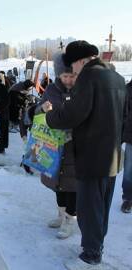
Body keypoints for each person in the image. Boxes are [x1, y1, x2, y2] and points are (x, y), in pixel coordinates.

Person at [42, 40, 126, 269]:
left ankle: (91, 255)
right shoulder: (116, 78)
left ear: (80, 61)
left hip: (91, 155)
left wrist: (51, 114)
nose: (73, 72)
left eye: (73, 66)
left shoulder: (90, 77)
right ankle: (96, 246)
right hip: (112, 156)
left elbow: (74, 113)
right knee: (102, 206)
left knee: (89, 207)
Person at [37, 52, 77, 239]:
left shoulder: (82, 91)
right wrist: (41, 109)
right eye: (65, 76)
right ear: (59, 75)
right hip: (53, 146)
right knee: (57, 183)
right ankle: (60, 216)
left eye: (71, 76)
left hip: (74, 148)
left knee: (72, 185)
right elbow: (37, 110)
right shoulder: (52, 90)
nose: (68, 80)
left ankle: (70, 220)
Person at [121, 79, 132, 213]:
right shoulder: (127, 89)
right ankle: (128, 198)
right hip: (131, 135)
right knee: (129, 169)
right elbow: (123, 112)